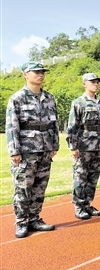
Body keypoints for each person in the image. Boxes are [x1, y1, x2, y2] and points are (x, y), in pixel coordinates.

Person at [6, 62, 59, 238]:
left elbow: (54, 123)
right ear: (25, 75)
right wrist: (15, 151)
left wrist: (54, 145)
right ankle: (21, 222)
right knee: (23, 188)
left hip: (45, 150)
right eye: (36, 72)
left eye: (42, 72)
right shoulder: (17, 98)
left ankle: (34, 219)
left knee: (40, 187)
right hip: (26, 151)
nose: (41, 74)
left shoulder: (49, 98)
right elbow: (12, 126)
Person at [67, 73, 100, 220]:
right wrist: (73, 146)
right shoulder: (78, 102)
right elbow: (72, 126)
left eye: (97, 82)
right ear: (84, 84)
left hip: (97, 146)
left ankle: (88, 204)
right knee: (80, 177)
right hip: (83, 147)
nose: (95, 84)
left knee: (93, 177)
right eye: (92, 82)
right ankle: (79, 206)